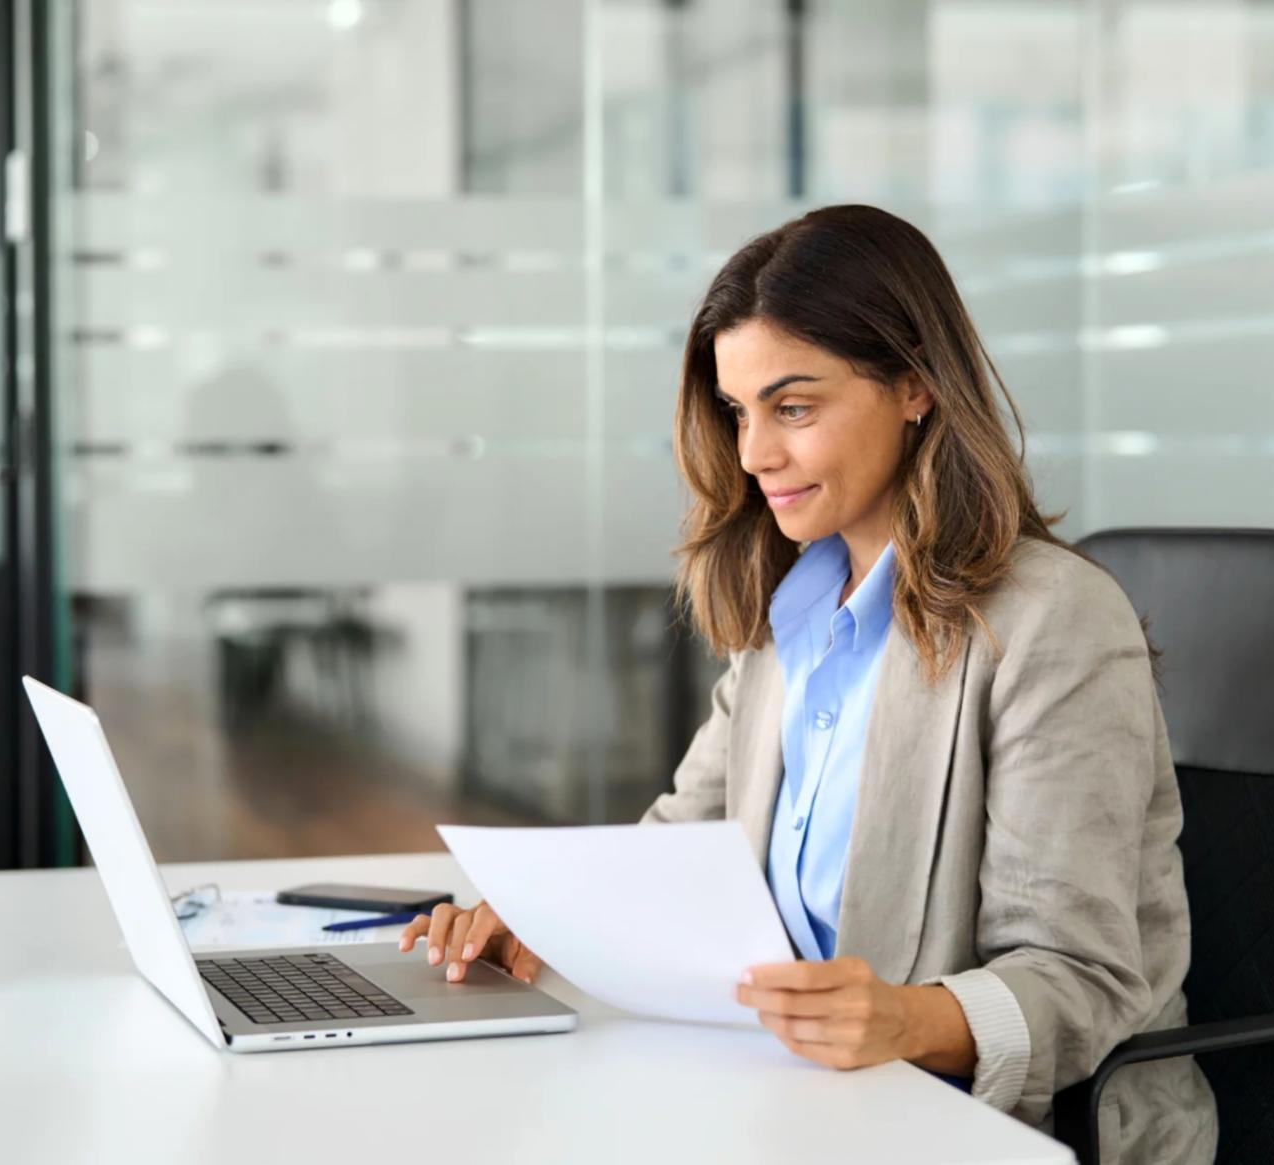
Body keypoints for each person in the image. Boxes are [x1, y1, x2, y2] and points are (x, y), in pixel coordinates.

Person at [398, 205, 1216, 1163]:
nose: (752, 455)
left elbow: (1079, 976)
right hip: (791, 1098)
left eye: (793, 408)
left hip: (989, 1125)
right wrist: (537, 923)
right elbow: (680, 844)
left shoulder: (1051, 621)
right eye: (738, 413)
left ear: (914, 385)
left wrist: (904, 1018)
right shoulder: (792, 610)